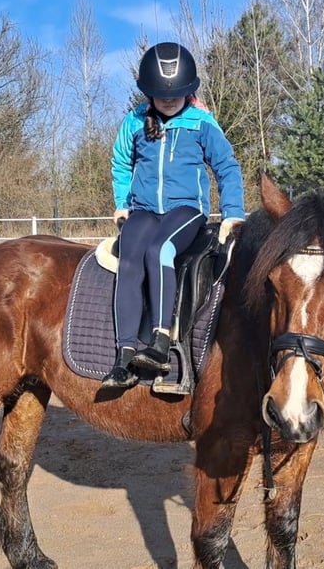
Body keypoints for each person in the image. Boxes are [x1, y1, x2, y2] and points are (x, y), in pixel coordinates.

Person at [101, 42, 245, 389]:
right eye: (161, 94)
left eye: (177, 94)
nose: (169, 100)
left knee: (159, 251)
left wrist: (233, 212)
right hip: (144, 210)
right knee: (130, 258)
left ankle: (161, 341)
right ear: (149, 93)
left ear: (189, 90)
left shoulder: (201, 123)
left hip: (186, 209)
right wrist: (123, 203)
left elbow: (227, 166)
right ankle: (124, 354)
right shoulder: (134, 122)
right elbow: (121, 162)